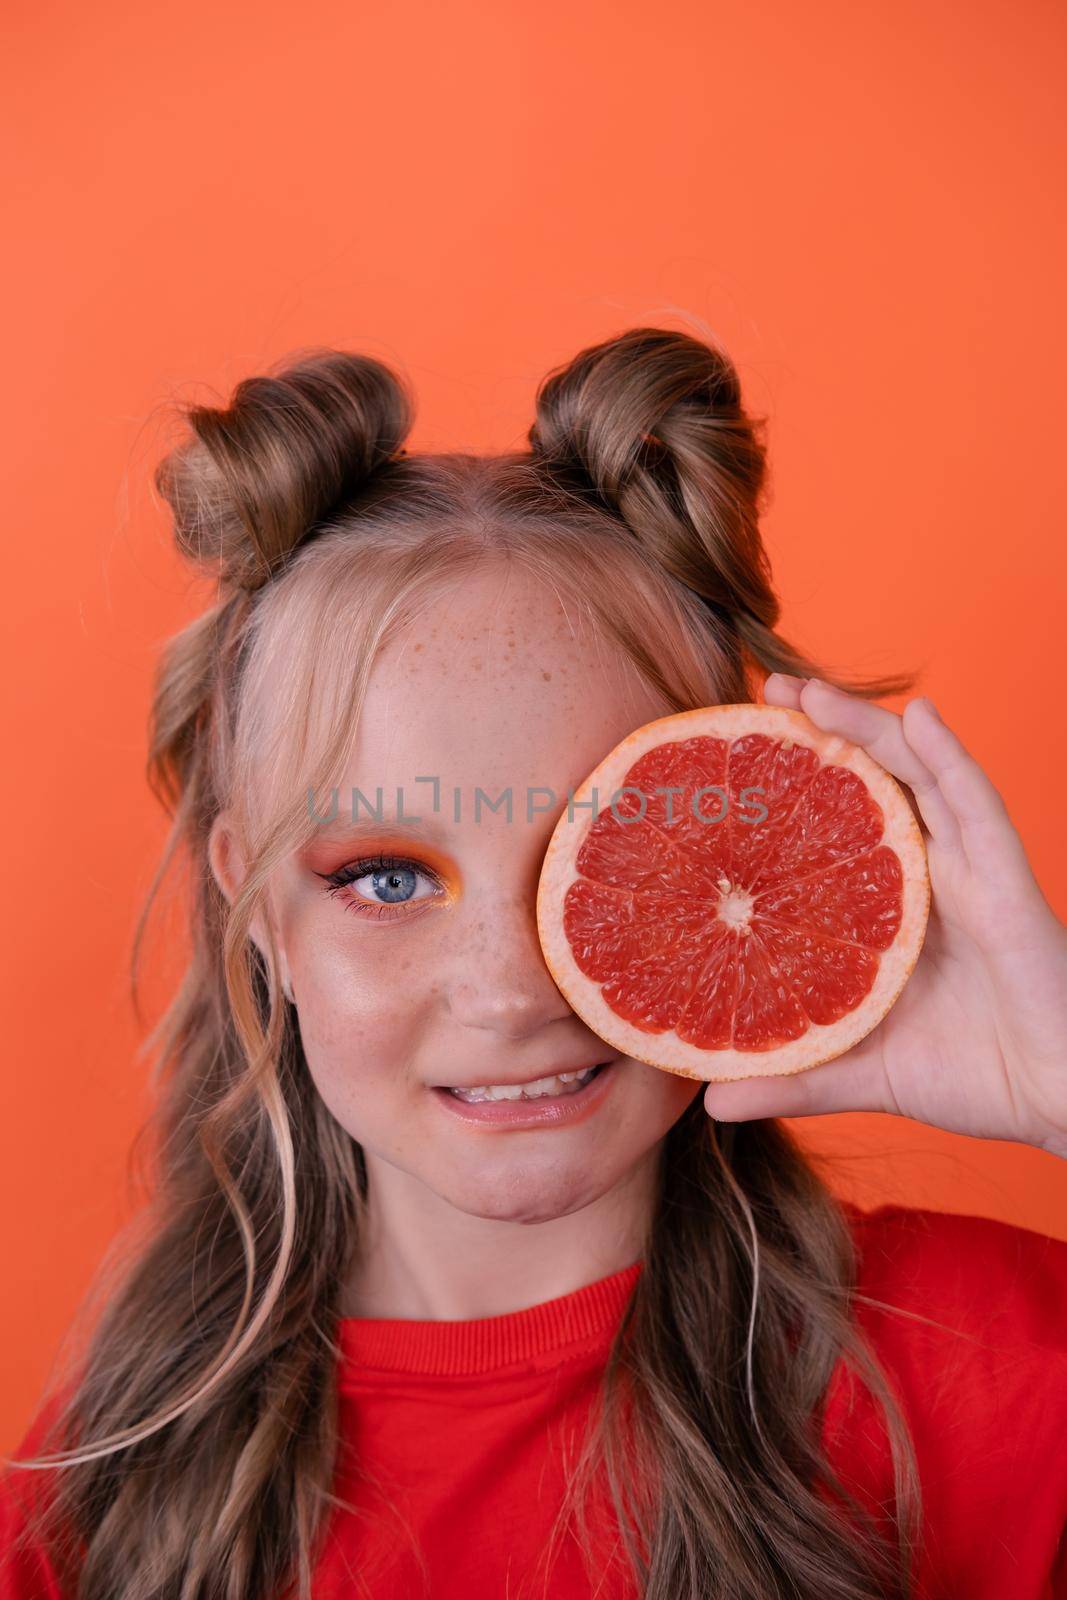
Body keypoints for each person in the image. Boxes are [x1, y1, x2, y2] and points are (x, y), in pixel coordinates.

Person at [2, 328, 1065, 1600]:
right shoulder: (107, 1493)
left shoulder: (990, 1363)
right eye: (385, 878)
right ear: (256, 903)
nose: (514, 990)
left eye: (597, 857)